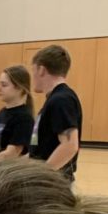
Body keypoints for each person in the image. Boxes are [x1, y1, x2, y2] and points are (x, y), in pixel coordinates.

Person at [30, 45, 82, 182]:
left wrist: (41, 175)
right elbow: (41, 149)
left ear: (41, 70)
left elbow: (70, 146)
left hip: (54, 185)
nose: (32, 76)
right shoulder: (55, 100)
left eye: (33, 70)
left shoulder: (61, 100)